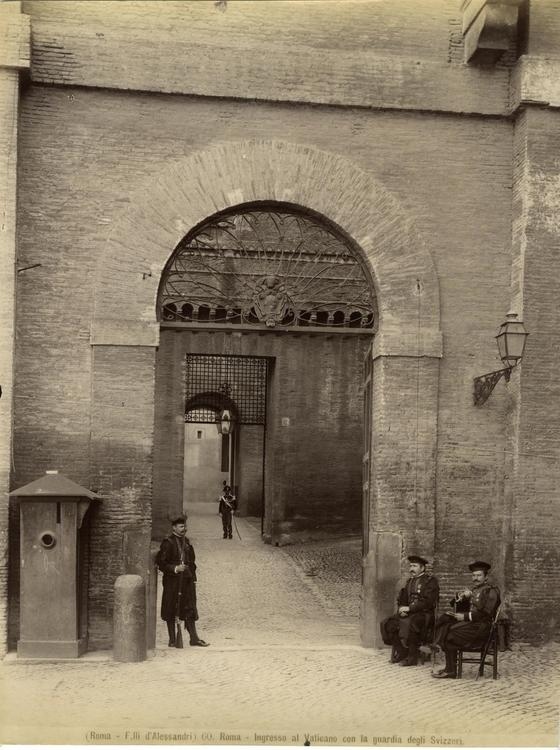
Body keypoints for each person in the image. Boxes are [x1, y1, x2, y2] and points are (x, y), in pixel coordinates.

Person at [432, 560, 500, 679]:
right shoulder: (474, 590)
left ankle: (450, 669)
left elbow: (486, 614)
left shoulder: (491, 591)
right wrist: (461, 599)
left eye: (479, 575)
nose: (475, 578)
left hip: (482, 629)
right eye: (473, 575)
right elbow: (464, 609)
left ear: (486, 577)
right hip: (472, 625)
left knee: (450, 633)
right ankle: (437, 647)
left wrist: (465, 616)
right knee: (446, 618)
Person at [157, 515, 209, 647]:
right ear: (174, 528)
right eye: (181, 526)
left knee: (190, 608)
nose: (184, 529)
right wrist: (175, 568)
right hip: (172, 582)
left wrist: (193, 578)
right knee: (171, 608)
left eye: (185, 526)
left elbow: (192, 562)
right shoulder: (167, 543)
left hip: (187, 580)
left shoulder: (187, 542)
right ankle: (173, 639)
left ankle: (194, 638)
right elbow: (161, 563)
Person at [380, 555, 439, 666]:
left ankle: (412, 657)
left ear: (422, 568)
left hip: (424, 614)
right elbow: (402, 599)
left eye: (415, 566)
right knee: (388, 623)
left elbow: (428, 602)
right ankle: (402, 652)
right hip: (409, 613)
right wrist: (402, 608)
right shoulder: (409, 582)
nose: (411, 568)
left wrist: (410, 608)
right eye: (411, 566)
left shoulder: (430, 582)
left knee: (412, 623)